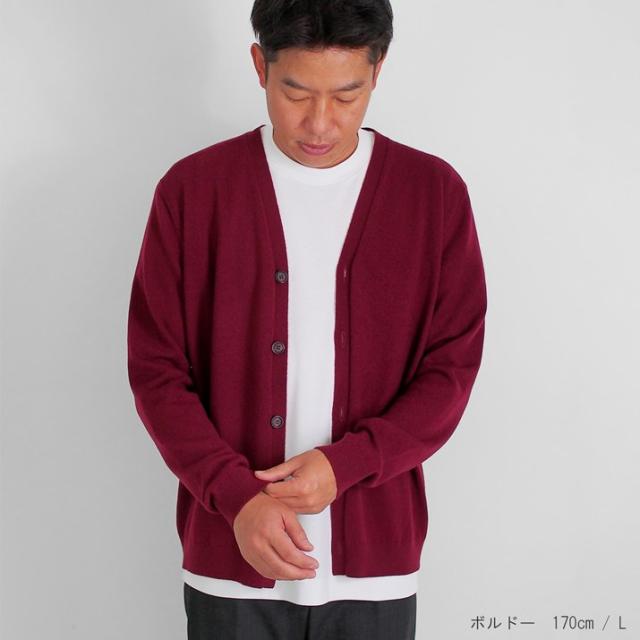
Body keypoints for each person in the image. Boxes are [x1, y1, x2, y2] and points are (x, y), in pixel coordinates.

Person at [127, 1, 487, 638]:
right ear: (259, 66)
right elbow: (157, 372)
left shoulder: (433, 195)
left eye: (346, 96)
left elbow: (451, 370)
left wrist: (349, 464)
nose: (320, 123)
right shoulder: (192, 191)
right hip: (230, 560)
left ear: (377, 71)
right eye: (295, 93)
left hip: (375, 569)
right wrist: (236, 496)